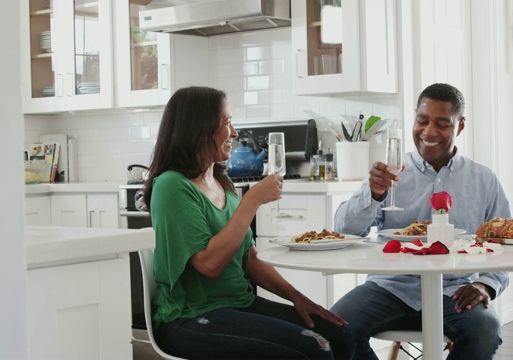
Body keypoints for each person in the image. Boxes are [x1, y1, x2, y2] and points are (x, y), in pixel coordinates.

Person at [143, 86, 355, 359]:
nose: (235, 132)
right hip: (190, 317)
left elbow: (249, 260)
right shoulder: (172, 186)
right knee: (315, 348)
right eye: (227, 122)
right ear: (199, 128)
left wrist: (297, 297)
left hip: (238, 304)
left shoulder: (222, 181)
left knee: (340, 336)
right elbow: (209, 265)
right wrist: (251, 201)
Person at [331, 83, 511, 360]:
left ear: (460, 126)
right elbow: (344, 230)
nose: (429, 132)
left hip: (455, 290)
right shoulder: (389, 175)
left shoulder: (484, 180)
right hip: (390, 286)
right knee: (335, 329)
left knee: (485, 332)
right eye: (422, 121)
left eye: (442, 124)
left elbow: (504, 246)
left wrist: (484, 285)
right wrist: (374, 193)